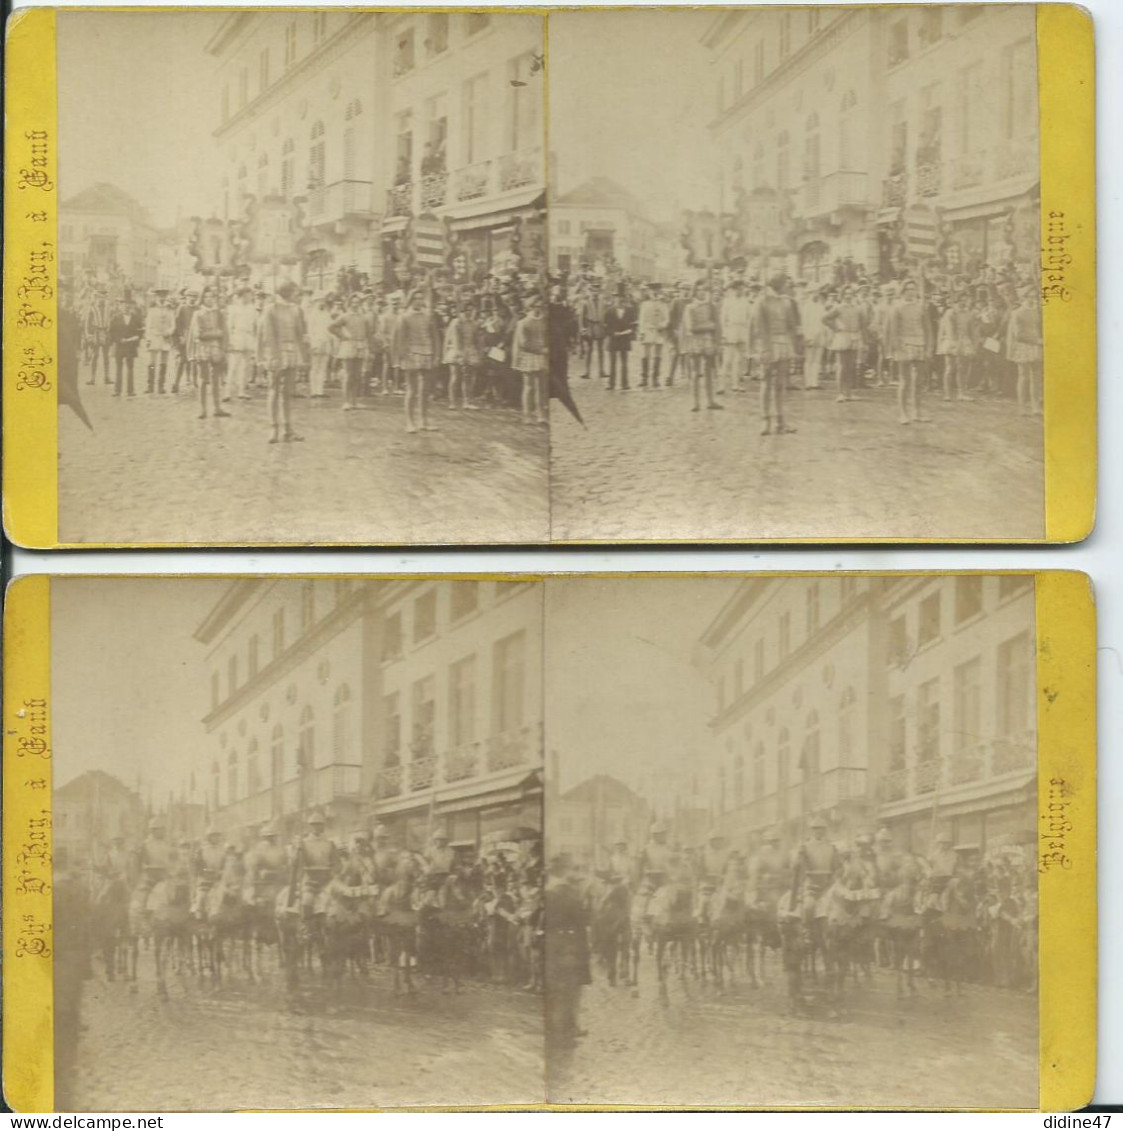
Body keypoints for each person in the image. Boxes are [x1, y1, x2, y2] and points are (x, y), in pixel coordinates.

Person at [545, 853, 591, 1048]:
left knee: (563, 990)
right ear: (565, 870)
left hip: (556, 944)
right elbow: (582, 920)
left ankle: (568, 1028)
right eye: (573, 869)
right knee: (568, 990)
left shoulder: (550, 889)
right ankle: (563, 1036)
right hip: (570, 946)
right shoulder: (565, 891)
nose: (576, 873)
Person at [258, 279, 309, 443]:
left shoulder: (296, 310)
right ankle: (274, 428)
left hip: (291, 352)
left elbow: (301, 334)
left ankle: (288, 429)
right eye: (295, 292)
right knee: (273, 390)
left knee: (288, 392)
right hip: (276, 353)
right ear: (286, 292)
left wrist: (305, 355)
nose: (297, 295)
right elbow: (267, 335)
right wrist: (274, 357)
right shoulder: (270, 309)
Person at [752, 274, 800, 434]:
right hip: (768, 344)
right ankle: (765, 420)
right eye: (786, 284)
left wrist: (794, 343)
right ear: (778, 285)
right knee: (766, 383)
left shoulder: (786, 302)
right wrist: (765, 348)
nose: (788, 287)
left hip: (784, 344)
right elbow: (759, 327)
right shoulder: (762, 301)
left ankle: (781, 421)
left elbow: (792, 325)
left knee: (780, 384)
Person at [885, 278, 933, 425]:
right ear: (903, 291)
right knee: (905, 381)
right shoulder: (897, 308)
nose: (911, 292)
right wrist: (897, 348)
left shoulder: (921, 307)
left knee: (919, 382)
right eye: (908, 289)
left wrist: (929, 348)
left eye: (914, 289)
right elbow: (893, 331)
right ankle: (903, 413)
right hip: (904, 345)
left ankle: (917, 412)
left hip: (920, 344)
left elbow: (928, 330)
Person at [394, 288, 439, 433]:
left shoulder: (428, 317)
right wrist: (403, 356)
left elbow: (435, 338)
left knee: (425, 390)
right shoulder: (404, 317)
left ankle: (423, 421)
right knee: (412, 389)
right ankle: (409, 421)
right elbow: (400, 339)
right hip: (411, 354)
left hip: (427, 353)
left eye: (421, 298)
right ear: (411, 300)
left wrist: (437, 355)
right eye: (416, 298)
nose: (419, 301)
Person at [188, 286, 230, 420]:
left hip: (216, 349)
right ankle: (203, 409)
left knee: (216, 379)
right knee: (203, 379)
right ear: (203, 298)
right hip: (203, 349)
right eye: (207, 296)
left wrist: (224, 348)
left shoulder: (219, 314)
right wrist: (216, 333)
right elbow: (198, 334)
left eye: (212, 296)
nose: (209, 299)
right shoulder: (198, 314)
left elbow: (225, 332)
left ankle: (217, 408)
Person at [822, 283, 868, 403]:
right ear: (842, 295)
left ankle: (849, 393)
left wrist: (863, 339)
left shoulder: (857, 308)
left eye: (851, 293)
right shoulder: (838, 307)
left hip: (854, 336)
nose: (848, 296)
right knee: (841, 366)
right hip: (842, 337)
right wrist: (835, 328)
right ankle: (840, 393)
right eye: (846, 293)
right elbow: (825, 318)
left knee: (850, 366)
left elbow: (863, 324)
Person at [790, 813, 839, 923]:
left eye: (822, 829)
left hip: (829, 885)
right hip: (812, 885)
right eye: (816, 829)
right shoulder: (805, 847)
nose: (819, 831)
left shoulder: (832, 847)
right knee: (809, 907)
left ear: (825, 830)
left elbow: (836, 867)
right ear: (812, 831)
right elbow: (796, 867)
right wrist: (799, 858)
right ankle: (808, 934)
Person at [289, 810, 338, 917]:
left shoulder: (330, 843)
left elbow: (335, 863)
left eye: (320, 825)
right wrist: (297, 851)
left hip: (327, 878)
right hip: (309, 879)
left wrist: (334, 873)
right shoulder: (304, 843)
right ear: (310, 826)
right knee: (307, 900)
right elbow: (295, 863)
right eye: (315, 825)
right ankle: (307, 929)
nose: (318, 827)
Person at [684, 282, 722, 412]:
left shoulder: (710, 306)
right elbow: (691, 327)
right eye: (699, 290)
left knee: (709, 371)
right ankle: (695, 402)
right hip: (695, 342)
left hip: (708, 341)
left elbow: (717, 325)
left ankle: (710, 400)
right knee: (695, 372)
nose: (702, 293)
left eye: (704, 290)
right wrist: (708, 326)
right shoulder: (690, 307)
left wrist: (717, 341)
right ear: (695, 292)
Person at [1006, 285, 1042, 416]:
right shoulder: (1018, 313)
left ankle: (1035, 406)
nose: (1032, 300)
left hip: (1036, 346)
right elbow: (1018, 335)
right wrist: (1037, 340)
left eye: (1034, 297)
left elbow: (1039, 329)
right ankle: (1022, 407)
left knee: (1036, 377)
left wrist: (1039, 340)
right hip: (1023, 346)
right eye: (1029, 297)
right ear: (1023, 298)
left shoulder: (1037, 311)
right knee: (1023, 376)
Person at [329, 292, 369, 411]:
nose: (355, 305)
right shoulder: (345, 316)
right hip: (348, 345)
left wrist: (367, 345)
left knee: (357, 375)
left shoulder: (363, 317)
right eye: (353, 302)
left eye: (358, 302)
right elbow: (331, 327)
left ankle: (354, 401)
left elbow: (368, 332)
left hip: (360, 345)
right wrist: (342, 336)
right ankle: (346, 401)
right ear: (350, 303)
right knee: (348, 375)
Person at [513, 292, 548, 424]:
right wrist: (541, 349)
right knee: (529, 386)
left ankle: (541, 414)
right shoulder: (524, 323)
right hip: (529, 356)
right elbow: (523, 343)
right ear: (530, 307)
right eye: (535, 306)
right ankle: (527, 414)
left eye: (541, 306)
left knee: (542, 387)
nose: (538, 309)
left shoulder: (545, 321)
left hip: (542, 356)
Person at [443, 300, 481, 410]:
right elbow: (456, 340)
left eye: (472, 310)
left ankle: (467, 401)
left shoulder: (474, 323)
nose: (469, 313)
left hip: (470, 350)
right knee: (455, 376)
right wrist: (461, 355)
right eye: (467, 310)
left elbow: (476, 339)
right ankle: (452, 402)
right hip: (457, 350)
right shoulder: (457, 322)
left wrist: (476, 353)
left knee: (468, 377)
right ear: (462, 311)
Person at [226, 286, 259, 401]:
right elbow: (229, 326)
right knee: (234, 365)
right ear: (242, 296)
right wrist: (229, 340)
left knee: (246, 366)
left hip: (248, 337)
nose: (250, 297)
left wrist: (255, 340)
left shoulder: (253, 309)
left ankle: (242, 391)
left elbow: (256, 326)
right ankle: (227, 392)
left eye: (250, 295)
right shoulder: (234, 309)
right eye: (248, 295)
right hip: (237, 336)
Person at [243, 823, 288, 907]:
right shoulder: (258, 849)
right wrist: (260, 871)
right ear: (263, 837)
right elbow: (253, 865)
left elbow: (285, 862)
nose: (271, 838)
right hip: (263, 880)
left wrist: (284, 868)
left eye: (273, 836)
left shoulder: (280, 848)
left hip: (278, 878)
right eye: (268, 837)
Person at [719, 277, 751, 394]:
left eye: (741, 289)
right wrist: (724, 334)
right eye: (737, 289)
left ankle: (736, 384)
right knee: (727, 359)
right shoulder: (727, 301)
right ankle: (721, 385)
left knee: (740, 360)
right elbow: (723, 319)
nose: (740, 291)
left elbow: (749, 318)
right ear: (733, 290)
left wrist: (747, 331)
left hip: (742, 330)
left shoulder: (745, 301)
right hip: (731, 330)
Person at [109, 295, 143, 397]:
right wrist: (119, 339)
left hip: (131, 346)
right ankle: (117, 390)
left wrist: (137, 338)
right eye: (123, 305)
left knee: (130, 368)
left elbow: (140, 330)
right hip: (119, 346)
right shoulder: (115, 317)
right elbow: (111, 332)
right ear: (120, 306)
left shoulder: (136, 318)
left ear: (131, 306)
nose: (126, 307)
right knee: (119, 368)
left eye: (128, 305)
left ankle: (130, 391)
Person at [604, 286, 637, 392]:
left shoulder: (630, 310)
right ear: (614, 298)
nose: (619, 300)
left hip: (624, 339)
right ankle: (611, 383)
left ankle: (625, 383)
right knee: (612, 362)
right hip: (613, 338)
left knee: (624, 362)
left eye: (622, 297)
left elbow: (633, 324)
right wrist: (613, 333)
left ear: (624, 299)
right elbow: (605, 325)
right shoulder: (609, 311)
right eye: (617, 297)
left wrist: (630, 331)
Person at [637, 282, 670, 389]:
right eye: (652, 291)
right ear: (649, 292)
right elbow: (641, 319)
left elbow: (667, 319)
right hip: (648, 330)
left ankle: (655, 378)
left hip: (659, 331)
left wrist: (662, 325)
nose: (655, 293)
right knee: (646, 355)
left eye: (657, 291)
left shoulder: (663, 304)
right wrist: (642, 332)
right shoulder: (645, 304)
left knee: (658, 354)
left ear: (660, 292)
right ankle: (644, 378)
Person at [143, 291, 175, 394]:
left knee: (163, 362)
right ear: (157, 297)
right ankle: (150, 385)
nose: (162, 298)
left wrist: (169, 332)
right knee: (152, 363)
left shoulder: (170, 309)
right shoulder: (152, 309)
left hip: (165, 338)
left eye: (164, 296)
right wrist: (148, 338)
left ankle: (161, 386)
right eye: (160, 296)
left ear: (166, 297)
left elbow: (173, 325)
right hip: (154, 336)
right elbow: (148, 325)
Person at [171, 289, 200, 393]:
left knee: (195, 360)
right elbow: (177, 323)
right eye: (190, 297)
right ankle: (176, 383)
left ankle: (195, 382)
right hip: (185, 335)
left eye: (194, 297)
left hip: (195, 337)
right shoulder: (182, 308)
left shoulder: (198, 309)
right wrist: (180, 336)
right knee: (182, 360)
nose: (192, 299)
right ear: (186, 297)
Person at [577, 281, 607, 380]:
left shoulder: (603, 301)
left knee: (600, 349)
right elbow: (581, 317)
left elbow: (606, 314)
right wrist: (582, 328)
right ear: (590, 291)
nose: (595, 293)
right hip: (590, 326)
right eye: (593, 291)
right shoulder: (586, 302)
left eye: (597, 291)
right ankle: (587, 371)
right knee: (589, 350)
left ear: (599, 291)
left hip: (600, 326)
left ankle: (601, 371)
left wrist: (606, 325)